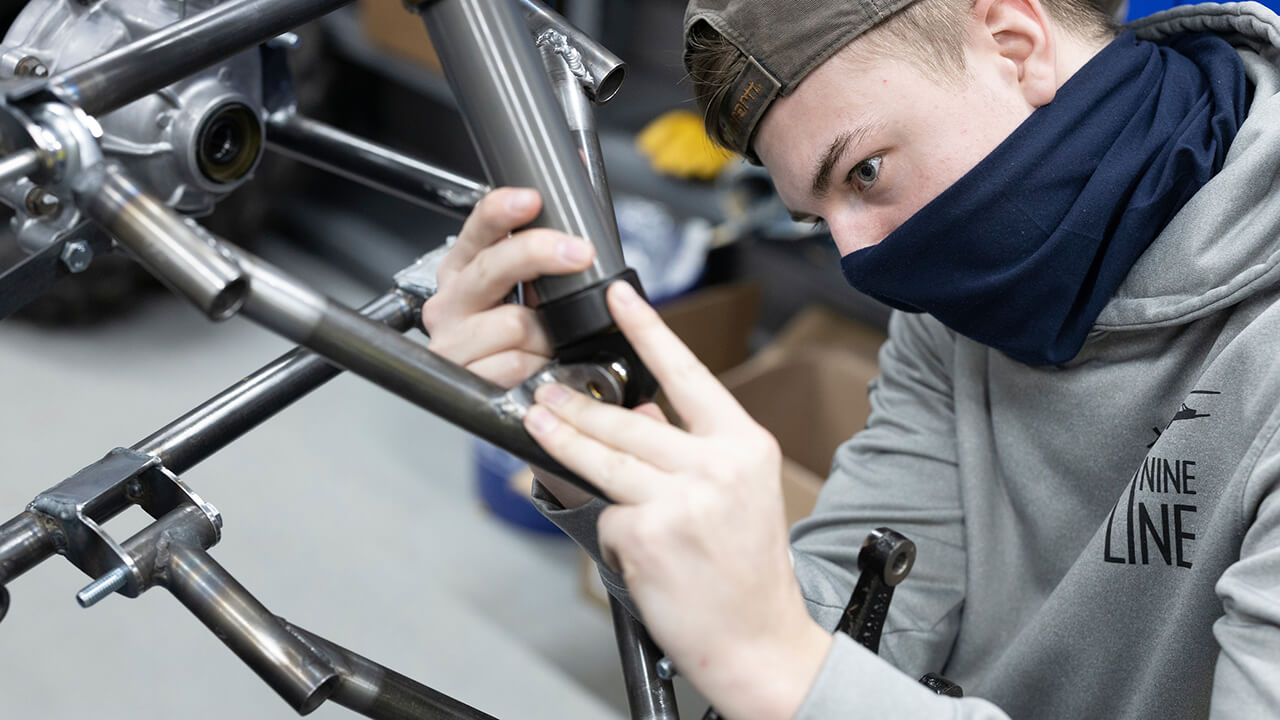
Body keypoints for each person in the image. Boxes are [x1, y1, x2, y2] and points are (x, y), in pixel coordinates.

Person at [421, 0, 1280, 716]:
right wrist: (580, 435)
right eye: (815, 217)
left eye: (864, 172)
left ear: (1015, 44)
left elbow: (792, 665)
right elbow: (852, 619)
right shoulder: (968, 303)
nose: (861, 258)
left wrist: (774, 661)